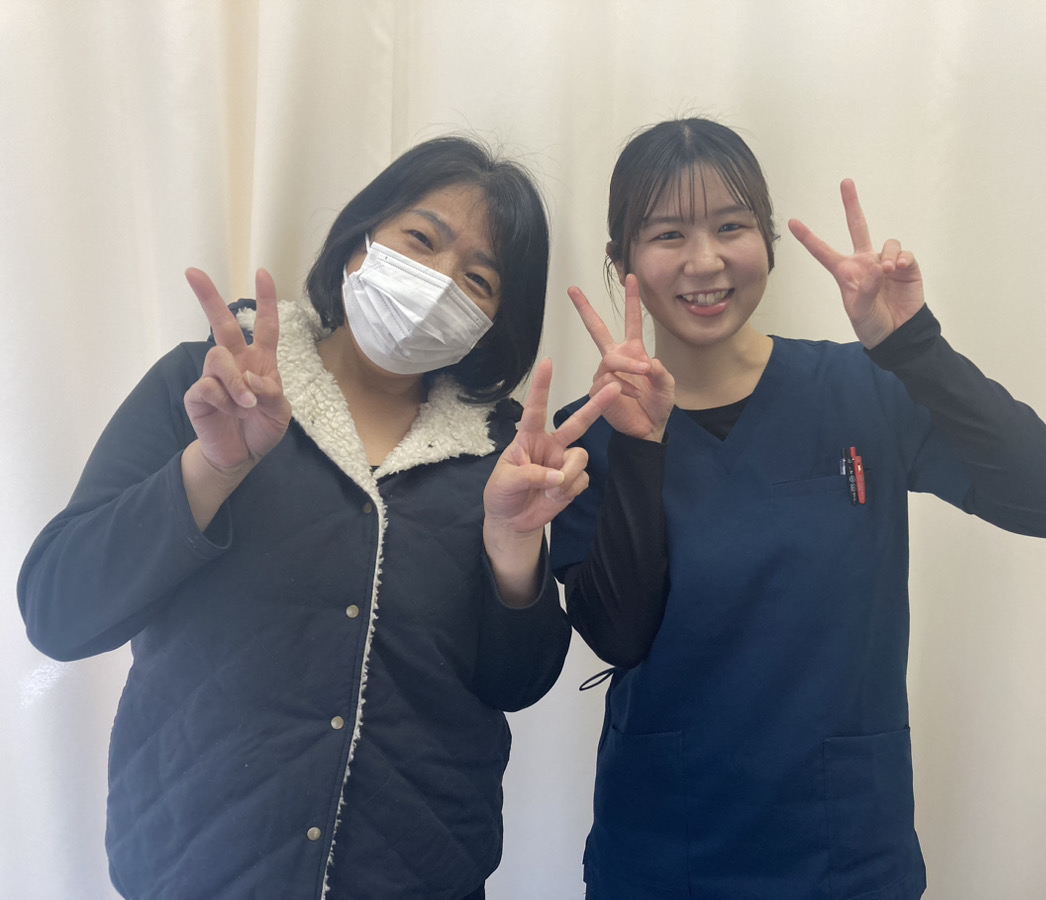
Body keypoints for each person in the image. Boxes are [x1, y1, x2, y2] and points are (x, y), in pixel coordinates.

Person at [18, 135, 616, 900]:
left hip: (419, 876)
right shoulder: (210, 389)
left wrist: (513, 547)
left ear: (495, 320)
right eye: (421, 239)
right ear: (360, 239)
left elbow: (517, 683)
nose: (439, 282)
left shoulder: (503, 455)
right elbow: (59, 613)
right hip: (198, 869)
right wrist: (210, 470)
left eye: (478, 279)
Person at [550, 118, 1046, 900]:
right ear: (622, 263)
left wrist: (914, 348)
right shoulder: (588, 439)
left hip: (847, 854)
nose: (705, 261)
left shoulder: (863, 389)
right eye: (668, 234)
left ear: (768, 241)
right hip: (665, 852)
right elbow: (618, 635)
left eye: (731, 226)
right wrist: (640, 449)